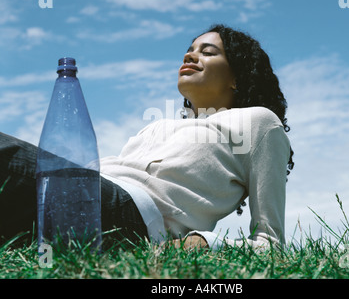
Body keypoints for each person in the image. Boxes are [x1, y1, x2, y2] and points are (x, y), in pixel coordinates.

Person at [0, 24, 294, 251]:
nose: (189, 55)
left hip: (132, 217)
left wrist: (207, 241)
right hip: (94, 189)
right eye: (191, 49)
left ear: (236, 77)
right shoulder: (157, 126)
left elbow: (270, 242)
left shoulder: (258, 122)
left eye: (208, 52)